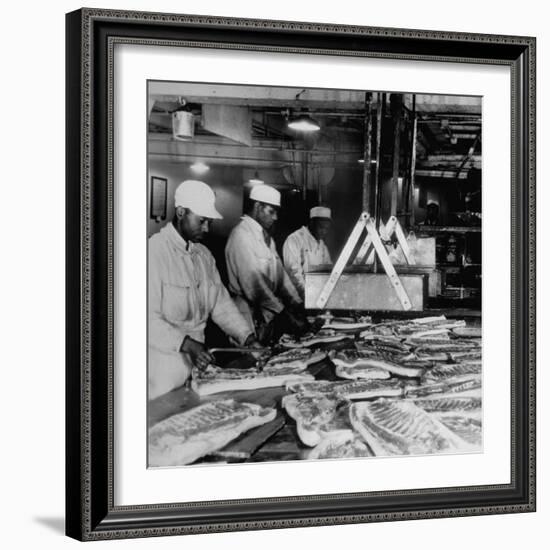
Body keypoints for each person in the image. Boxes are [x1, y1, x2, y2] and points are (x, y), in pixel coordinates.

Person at [148, 180, 260, 399]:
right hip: (160, 373)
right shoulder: (153, 252)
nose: (207, 228)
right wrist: (187, 344)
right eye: (202, 221)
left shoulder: (204, 256)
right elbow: (145, 321)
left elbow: (221, 305)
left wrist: (247, 338)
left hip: (196, 369)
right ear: (181, 212)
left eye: (208, 221)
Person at [225, 184, 307, 344]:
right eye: (271, 211)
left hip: (267, 315)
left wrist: (298, 304)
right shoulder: (241, 236)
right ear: (257, 207)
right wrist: (284, 314)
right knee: (252, 360)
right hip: (247, 317)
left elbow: (281, 277)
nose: (275, 217)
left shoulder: (266, 238)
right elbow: (255, 287)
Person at [282, 206, 332, 298]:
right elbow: (294, 274)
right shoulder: (295, 239)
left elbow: (328, 271)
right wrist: (307, 296)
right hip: (298, 298)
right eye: (321, 227)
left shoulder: (322, 246)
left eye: (327, 228)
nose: (324, 231)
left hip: (315, 298)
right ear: (312, 223)